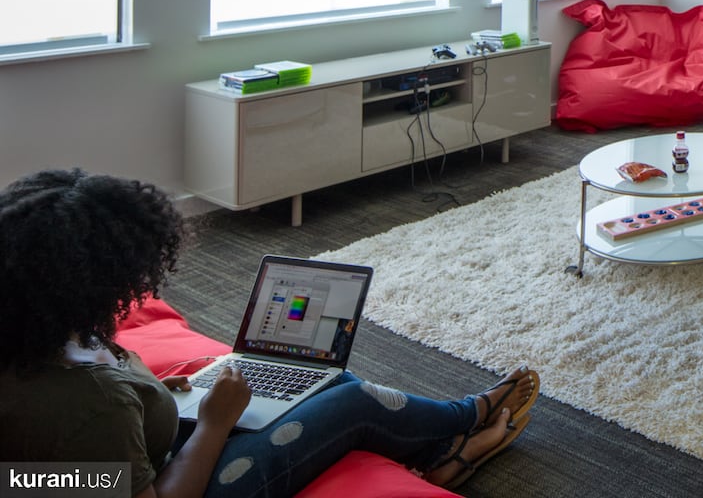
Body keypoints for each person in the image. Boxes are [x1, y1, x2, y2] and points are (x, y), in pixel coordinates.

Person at [0, 169, 540, 497]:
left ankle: (439, 454)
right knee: (350, 398)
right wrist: (213, 424)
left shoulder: (31, 335)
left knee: (321, 378)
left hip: (146, 442)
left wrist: (164, 396)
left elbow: (47, 479)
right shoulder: (94, 404)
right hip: (189, 482)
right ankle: (466, 418)